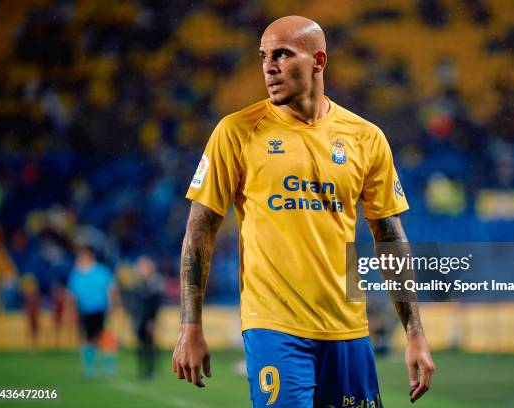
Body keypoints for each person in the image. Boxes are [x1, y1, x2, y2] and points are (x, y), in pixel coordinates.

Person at [172, 15, 435, 407]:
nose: (269, 67)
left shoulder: (365, 137)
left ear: (318, 61)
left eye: (282, 54)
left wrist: (415, 332)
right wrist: (190, 325)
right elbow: (200, 231)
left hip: (348, 330)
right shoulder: (236, 132)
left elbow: (389, 237)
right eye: (264, 56)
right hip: (274, 328)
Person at [67, 244, 116, 378]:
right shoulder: (76, 273)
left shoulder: (101, 271)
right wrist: (71, 311)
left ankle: (108, 366)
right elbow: (71, 295)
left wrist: (112, 306)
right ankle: (89, 368)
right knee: (87, 339)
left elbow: (111, 290)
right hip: (84, 311)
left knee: (105, 337)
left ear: (90, 256)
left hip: (101, 310)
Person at [132, 255, 164, 379]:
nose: (140, 270)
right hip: (140, 318)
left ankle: (151, 371)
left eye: (143, 267)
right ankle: (143, 370)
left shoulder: (155, 283)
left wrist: (152, 321)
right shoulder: (140, 283)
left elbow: (155, 305)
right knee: (141, 345)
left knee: (149, 344)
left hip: (149, 319)